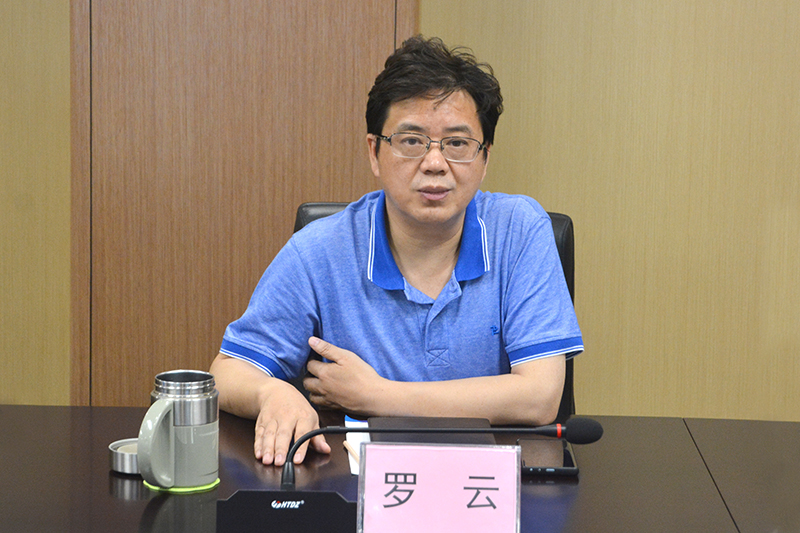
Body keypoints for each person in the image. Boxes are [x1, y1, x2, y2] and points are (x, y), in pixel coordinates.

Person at [209, 36, 583, 467]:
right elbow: (227, 372)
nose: (435, 163)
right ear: (374, 152)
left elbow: (539, 398)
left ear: (484, 160)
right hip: (356, 483)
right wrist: (271, 392)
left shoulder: (519, 231)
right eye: (411, 141)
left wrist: (378, 395)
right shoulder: (320, 250)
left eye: (457, 144)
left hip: (488, 485)